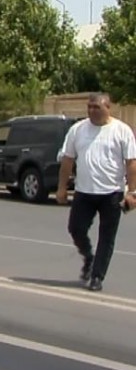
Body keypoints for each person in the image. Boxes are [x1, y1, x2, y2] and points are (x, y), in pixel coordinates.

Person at [56, 93, 136, 292]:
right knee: (76, 228)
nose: (92, 111)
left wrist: (132, 192)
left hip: (112, 193)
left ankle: (97, 276)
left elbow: (131, 163)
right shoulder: (78, 130)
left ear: (108, 107)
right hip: (84, 192)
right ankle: (88, 257)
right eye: (89, 107)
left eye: (96, 107)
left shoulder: (122, 131)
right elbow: (67, 160)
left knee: (107, 237)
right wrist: (62, 188)